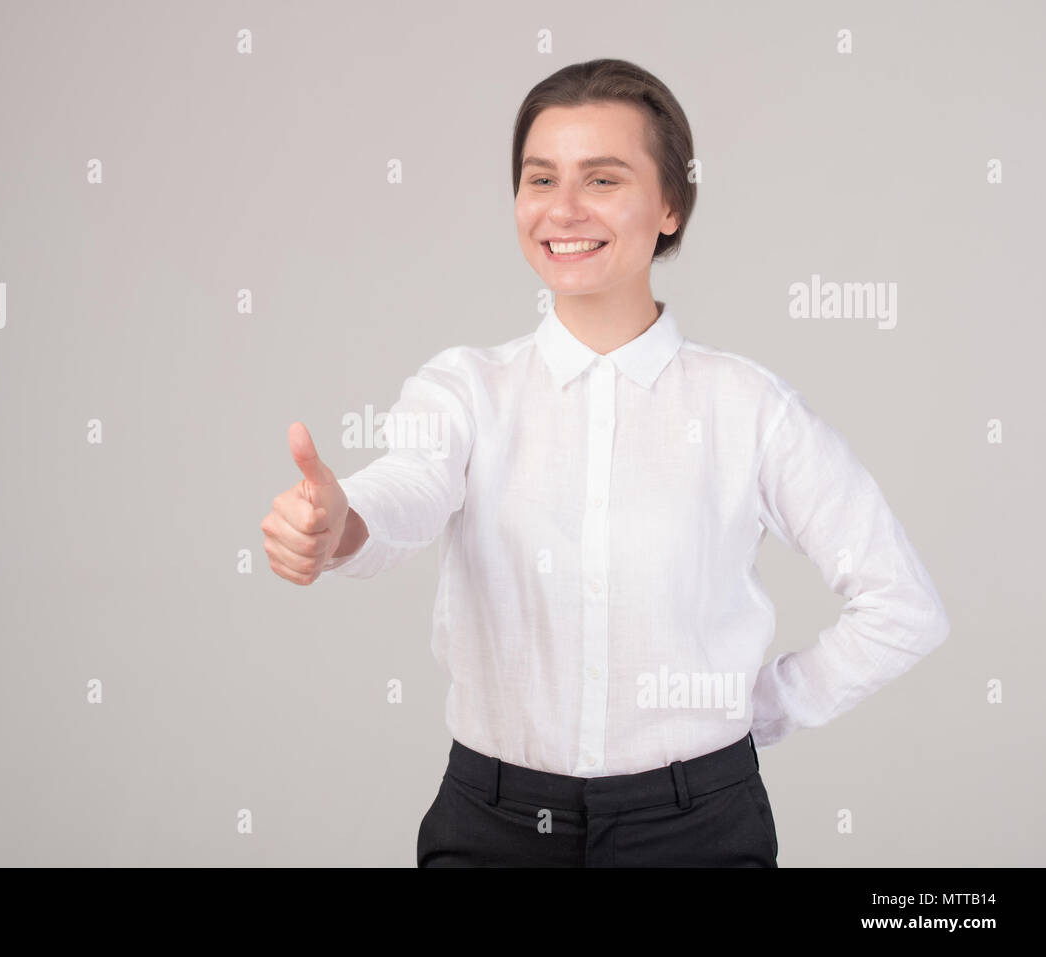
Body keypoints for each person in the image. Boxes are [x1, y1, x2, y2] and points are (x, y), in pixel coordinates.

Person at [259, 59, 950, 867]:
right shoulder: (465, 389)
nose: (563, 209)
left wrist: (755, 709)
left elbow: (903, 605)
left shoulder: (749, 408)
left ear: (670, 204)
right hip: (492, 824)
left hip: (696, 829)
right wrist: (344, 521)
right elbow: (411, 483)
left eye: (603, 179)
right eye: (540, 177)